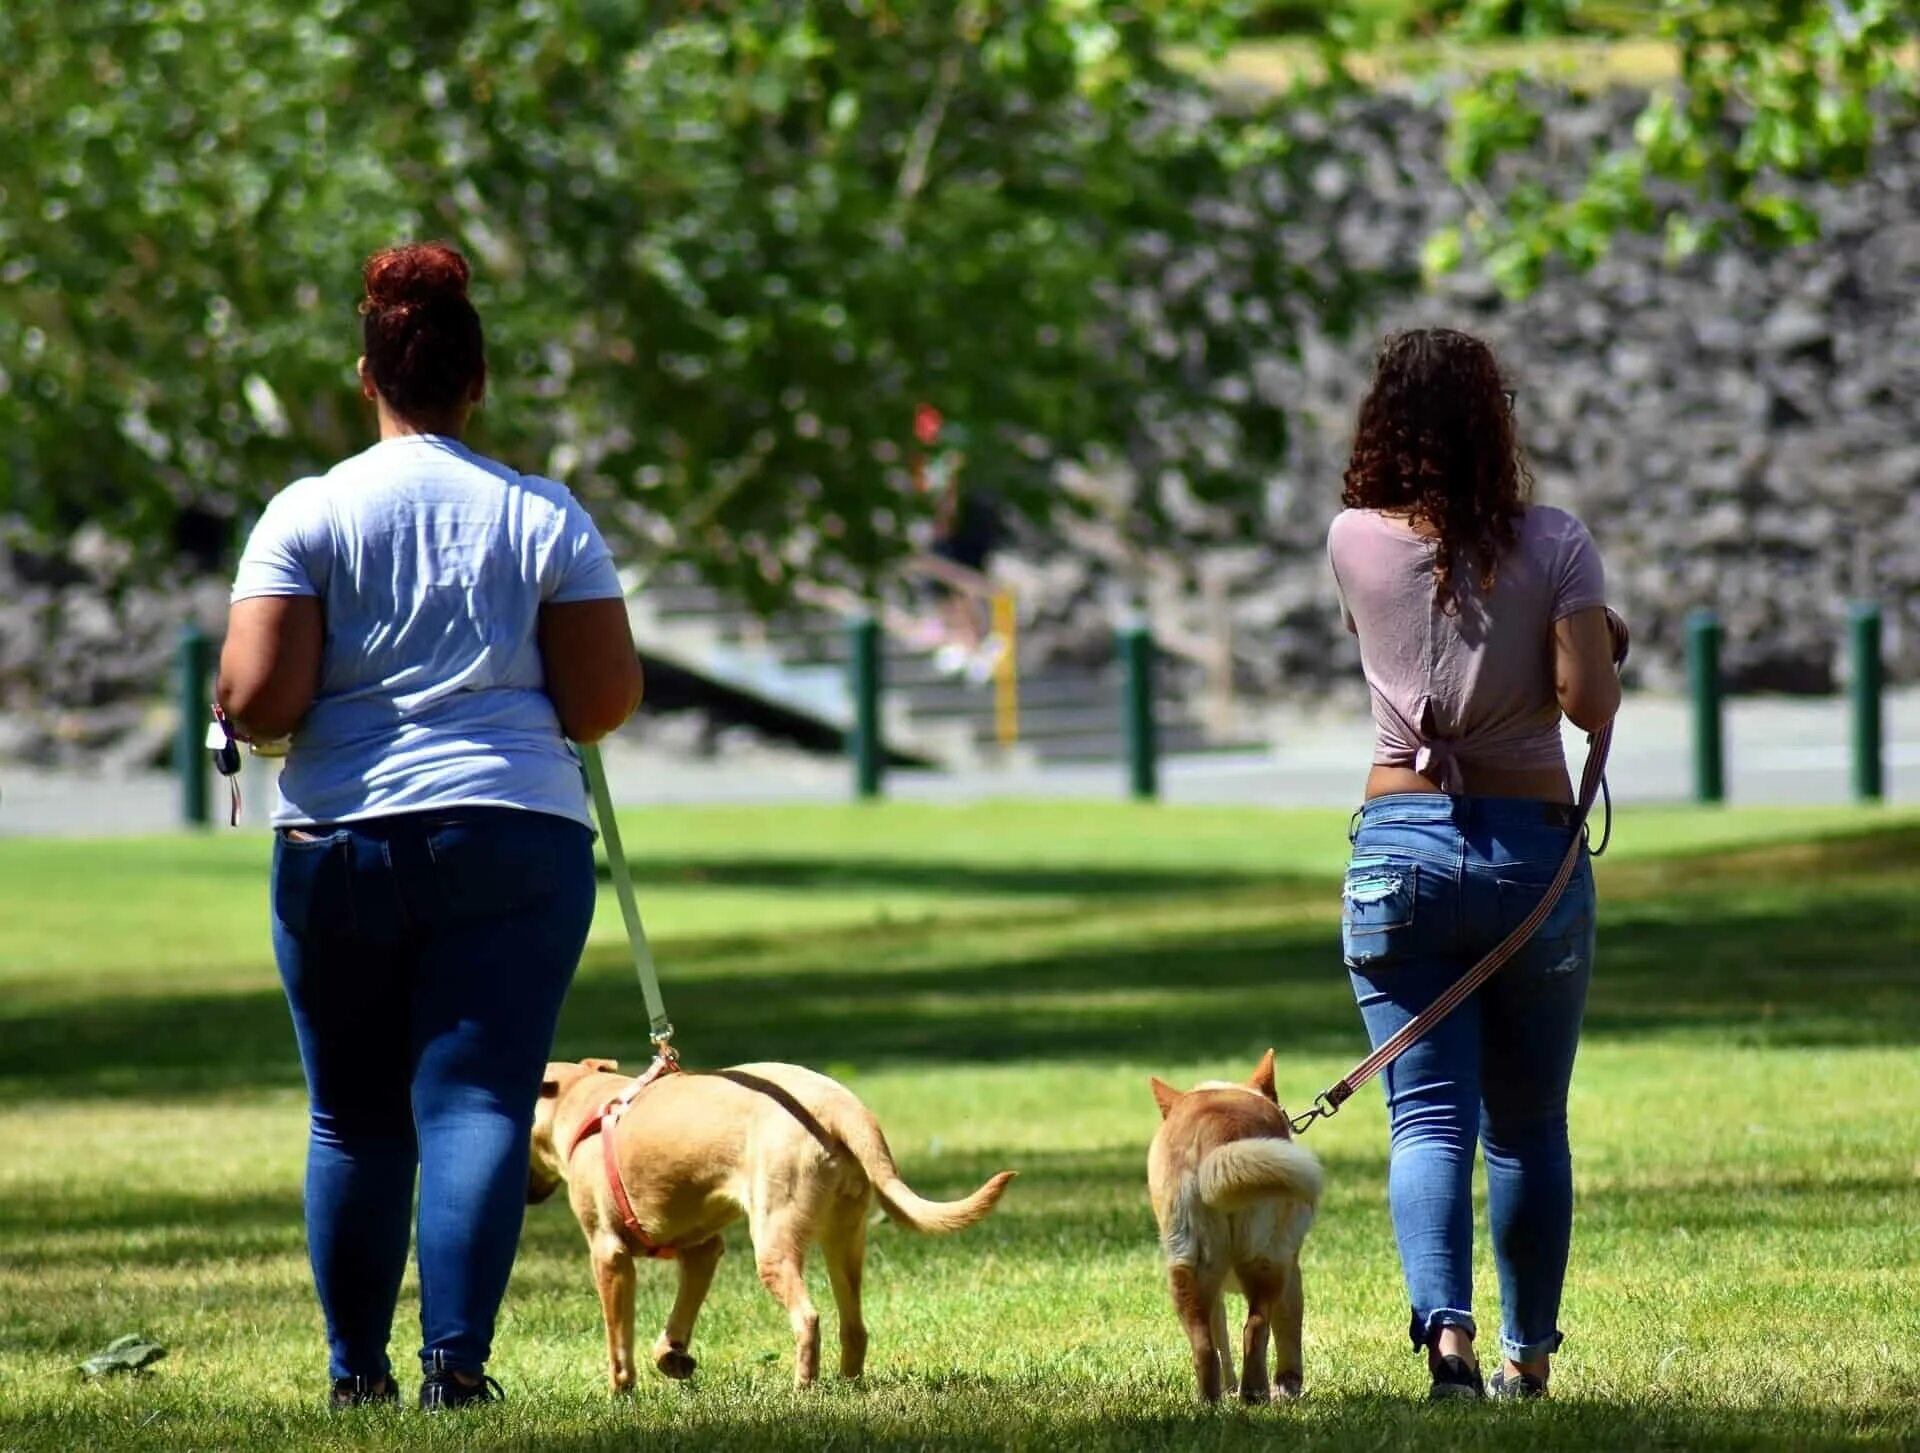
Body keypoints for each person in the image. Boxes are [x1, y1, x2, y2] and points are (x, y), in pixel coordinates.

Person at [217, 242, 643, 1412]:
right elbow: (603, 701)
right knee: (480, 1101)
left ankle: (358, 1376)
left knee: (351, 1117)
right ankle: (458, 1367)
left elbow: (260, 706)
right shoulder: (546, 515)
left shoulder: (306, 512)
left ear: (369, 378)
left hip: (339, 840)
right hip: (514, 833)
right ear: (479, 382)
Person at [1326, 328, 1623, 1403]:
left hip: (1394, 853)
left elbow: (1425, 629)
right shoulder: (1557, 541)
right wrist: (1590, 628)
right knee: (1530, 1122)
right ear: (1495, 421)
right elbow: (1586, 701)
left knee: (1428, 1116)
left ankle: (1442, 1343)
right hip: (1524, 853)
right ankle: (1527, 1357)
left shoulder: (1351, 537)